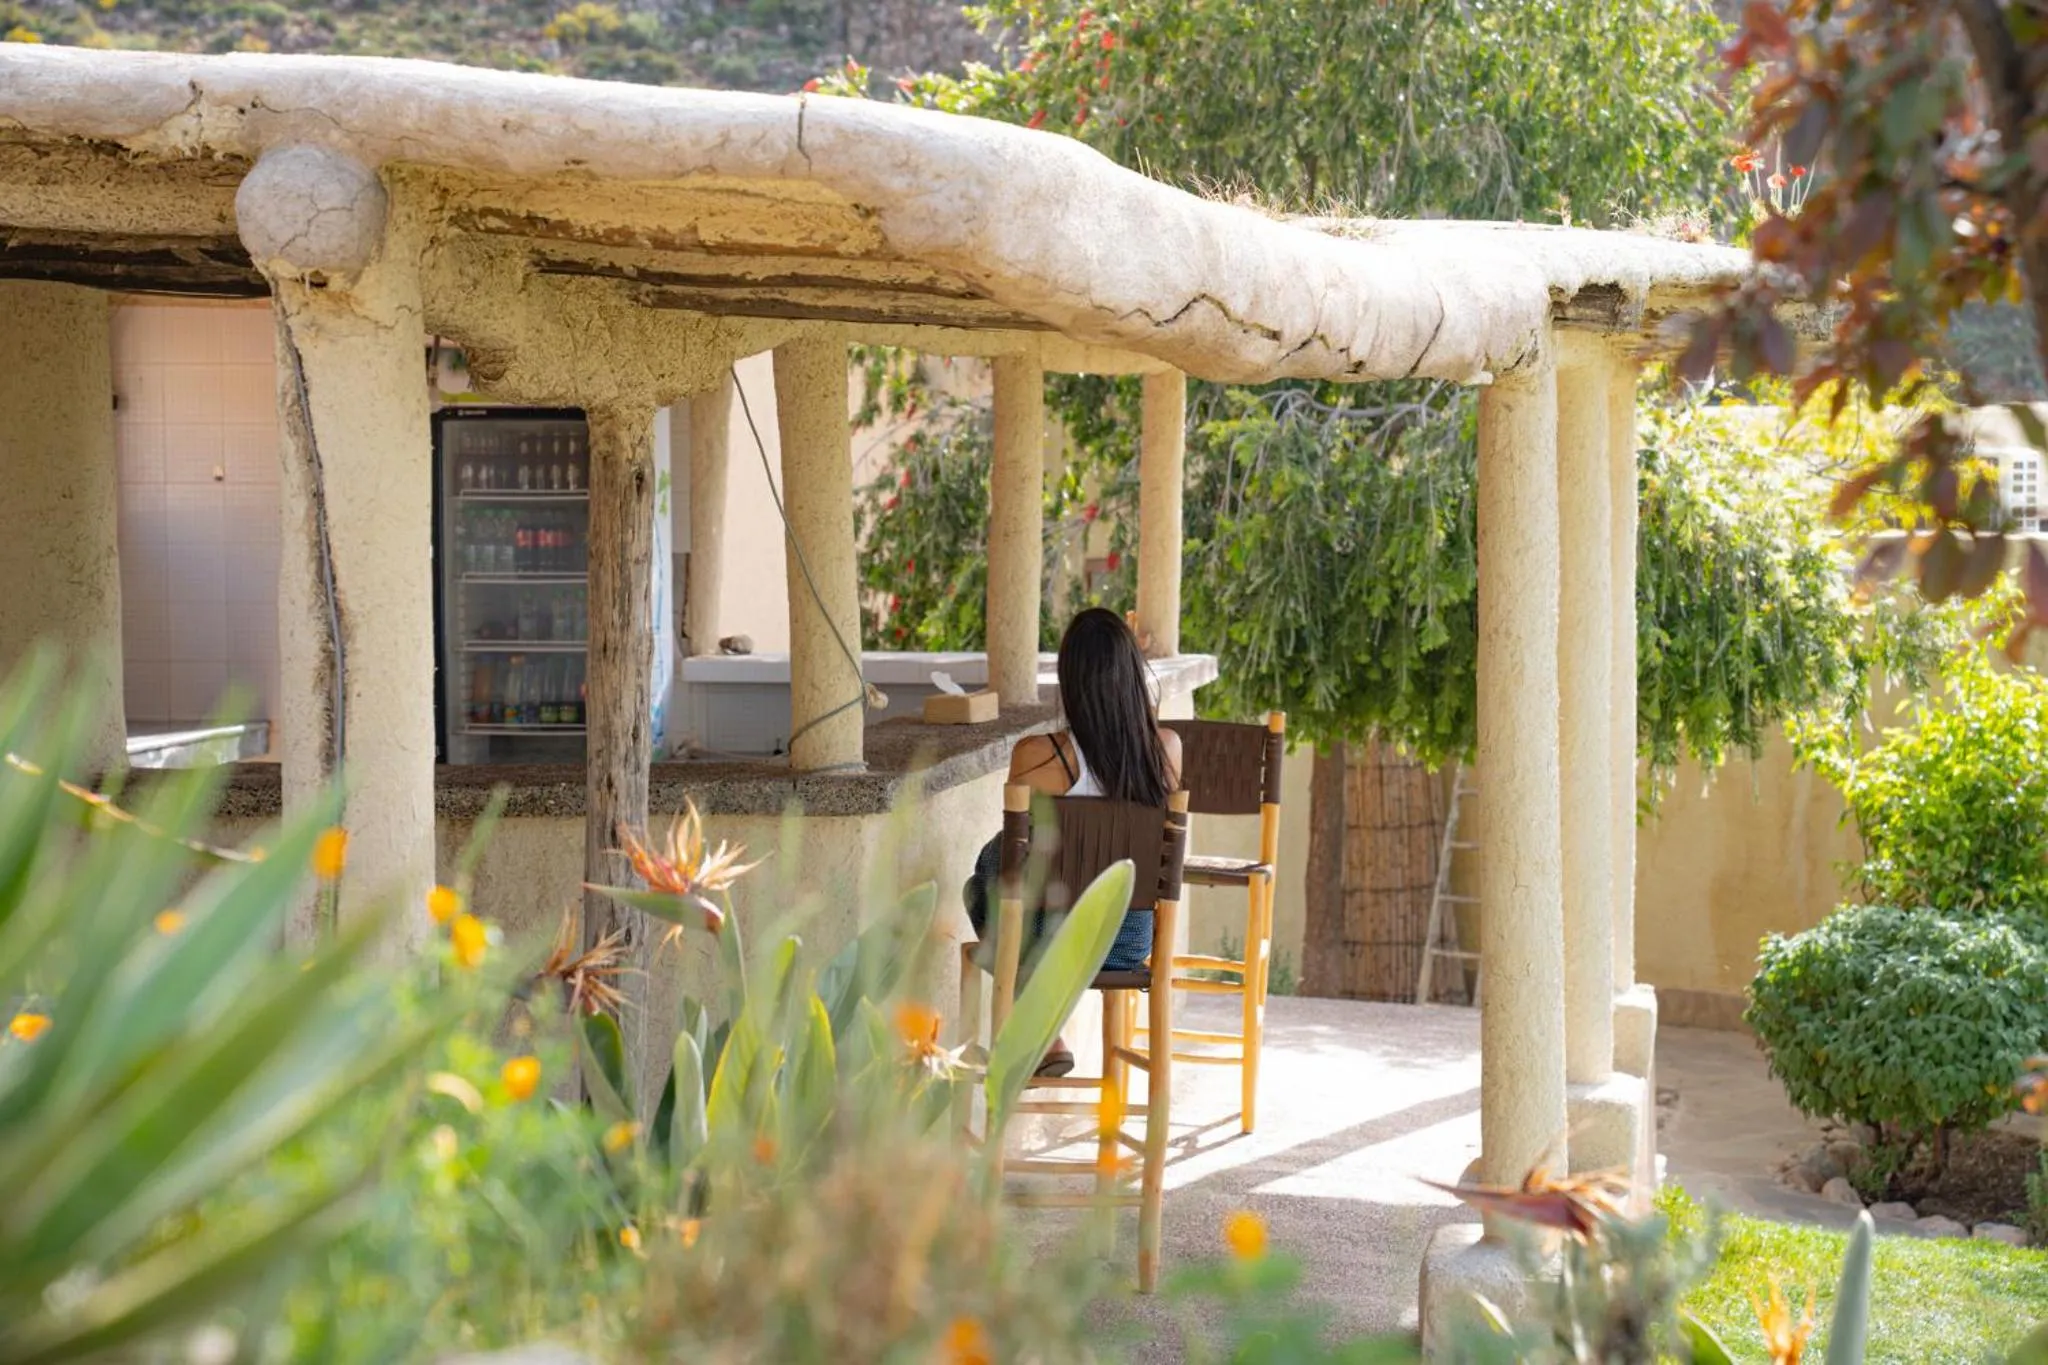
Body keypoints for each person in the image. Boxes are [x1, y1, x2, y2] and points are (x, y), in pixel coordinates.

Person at [963, 607, 1183, 1077]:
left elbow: (1006, 866)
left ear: (1069, 680)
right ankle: (1045, 1031)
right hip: (1128, 943)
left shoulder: (1039, 756)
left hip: (1050, 942)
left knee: (983, 881)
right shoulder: (1166, 751)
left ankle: (1043, 1030)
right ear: (1132, 675)